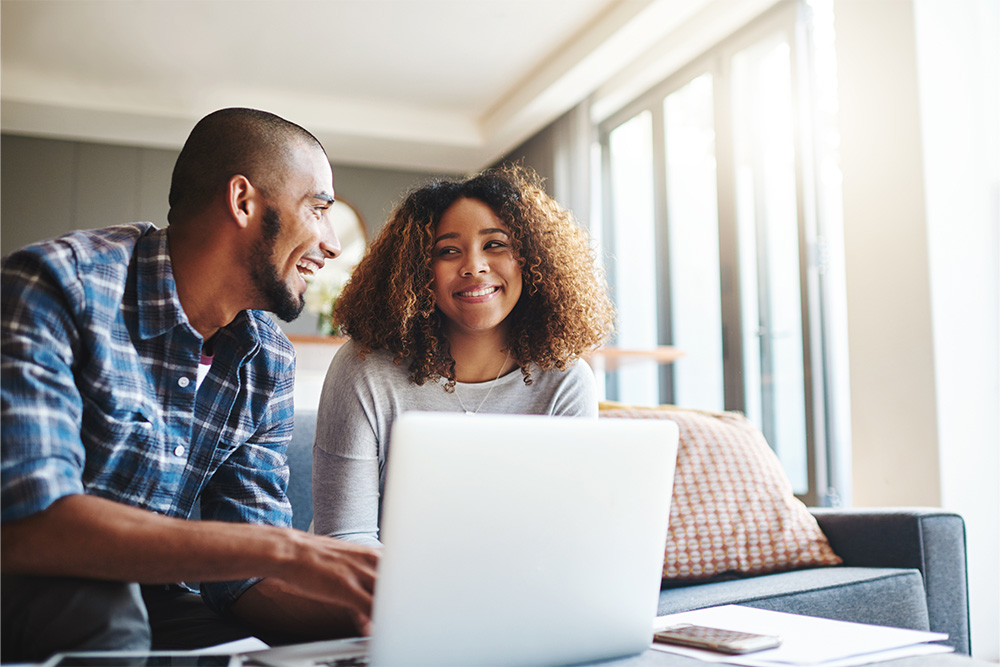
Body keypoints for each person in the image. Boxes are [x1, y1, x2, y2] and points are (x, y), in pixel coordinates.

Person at [0, 108, 379, 662]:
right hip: (26, 579)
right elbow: (33, 524)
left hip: (152, 603)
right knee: (103, 610)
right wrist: (289, 550)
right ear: (243, 201)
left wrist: (375, 618)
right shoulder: (58, 285)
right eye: (318, 209)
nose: (331, 243)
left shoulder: (267, 357)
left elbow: (243, 581)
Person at [312, 165, 615, 546]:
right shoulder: (365, 368)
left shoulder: (566, 381)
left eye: (495, 244)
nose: (474, 266)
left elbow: (567, 534)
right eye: (448, 251)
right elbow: (345, 536)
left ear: (531, 259)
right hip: (374, 588)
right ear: (418, 271)